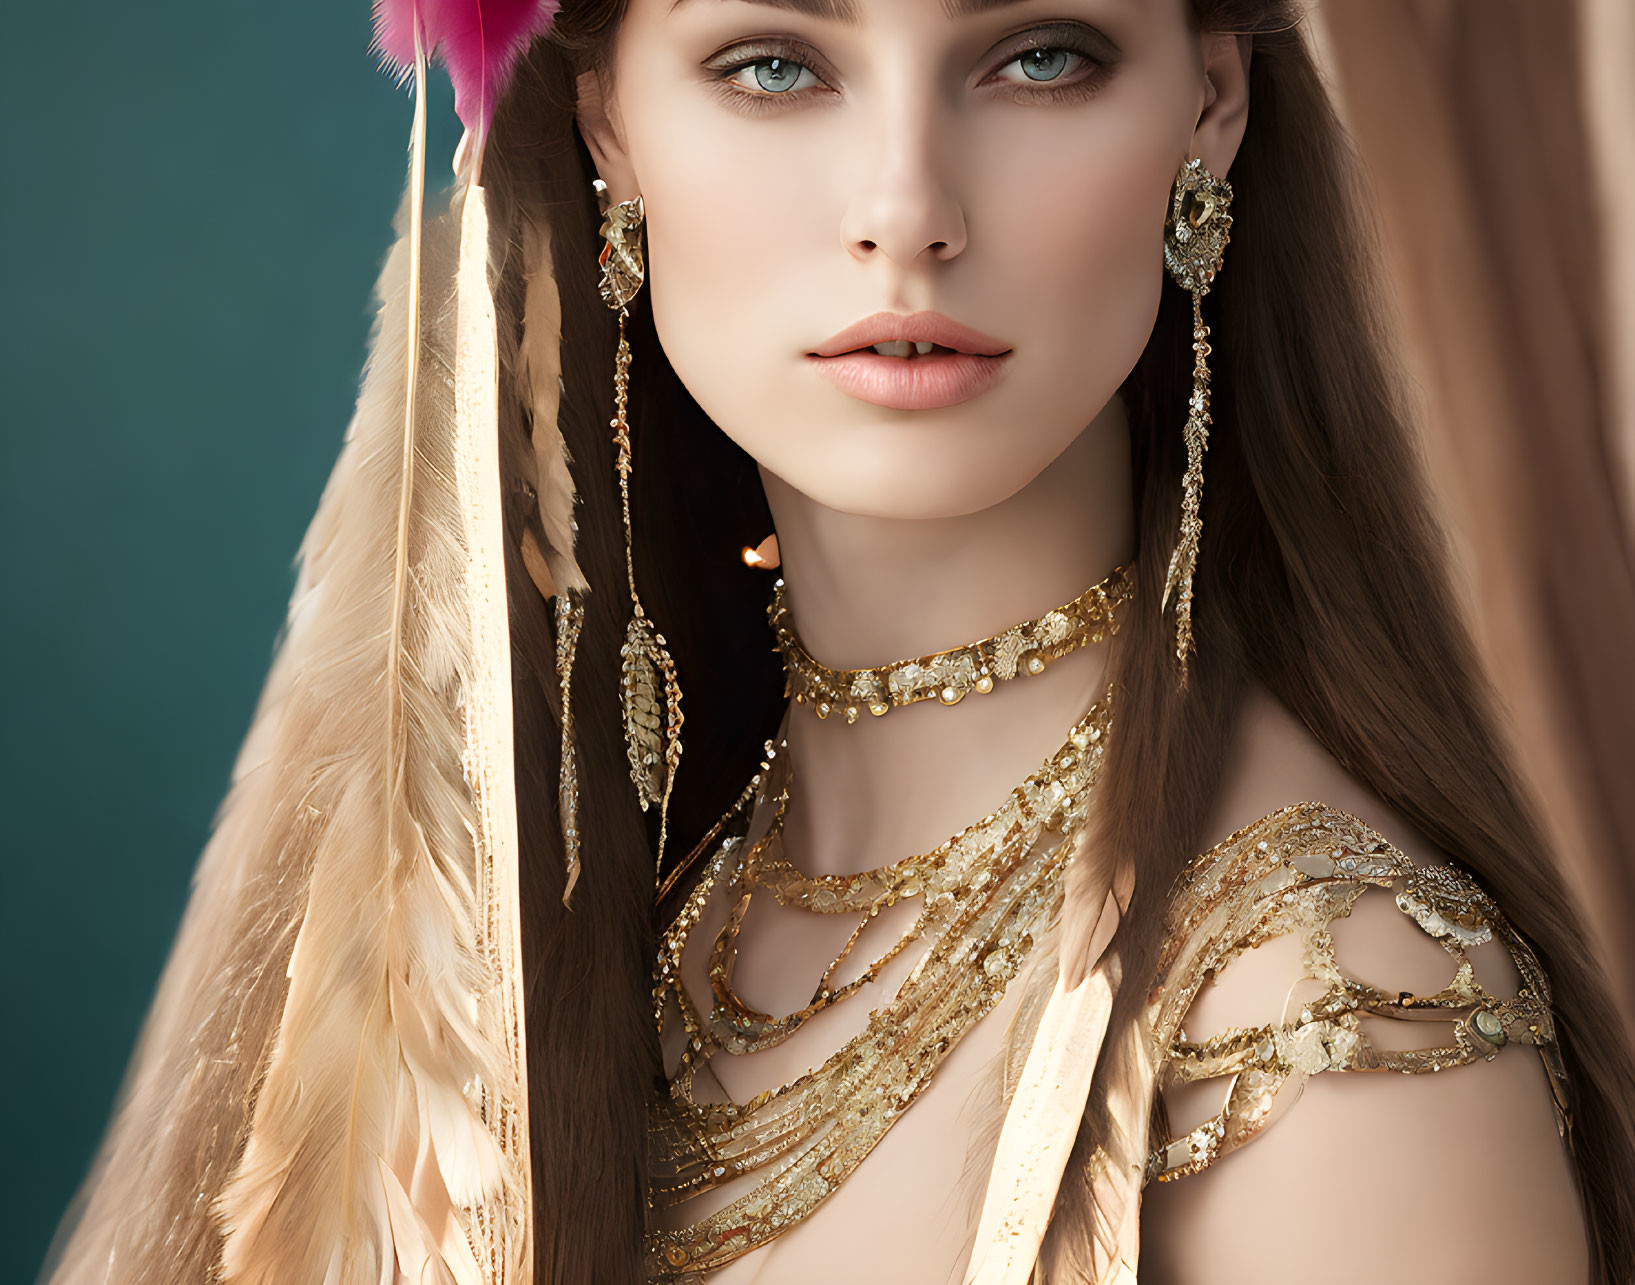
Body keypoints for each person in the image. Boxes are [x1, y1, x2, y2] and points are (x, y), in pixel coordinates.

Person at [39, 0, 1635, 1281]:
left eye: (1037, 56)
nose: (905, 212)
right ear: (606, 125)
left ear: (1209, 106)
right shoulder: (657, 909)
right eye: (777, 65)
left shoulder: (1327, 1030)